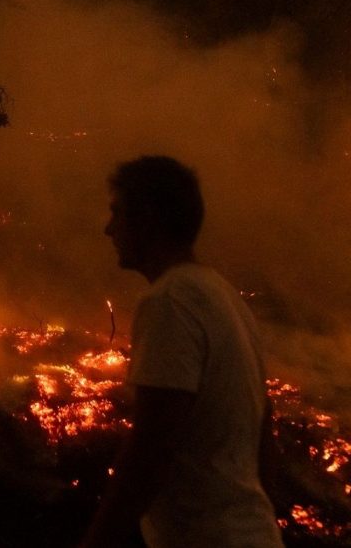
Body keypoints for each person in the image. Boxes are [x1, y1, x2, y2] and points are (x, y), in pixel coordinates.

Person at [83, 156, 282, 548]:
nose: (108, 229)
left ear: (149, 218)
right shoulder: (223, 296)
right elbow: (265, 440)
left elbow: (152, 447)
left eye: (117, 212)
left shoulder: (170, 300)